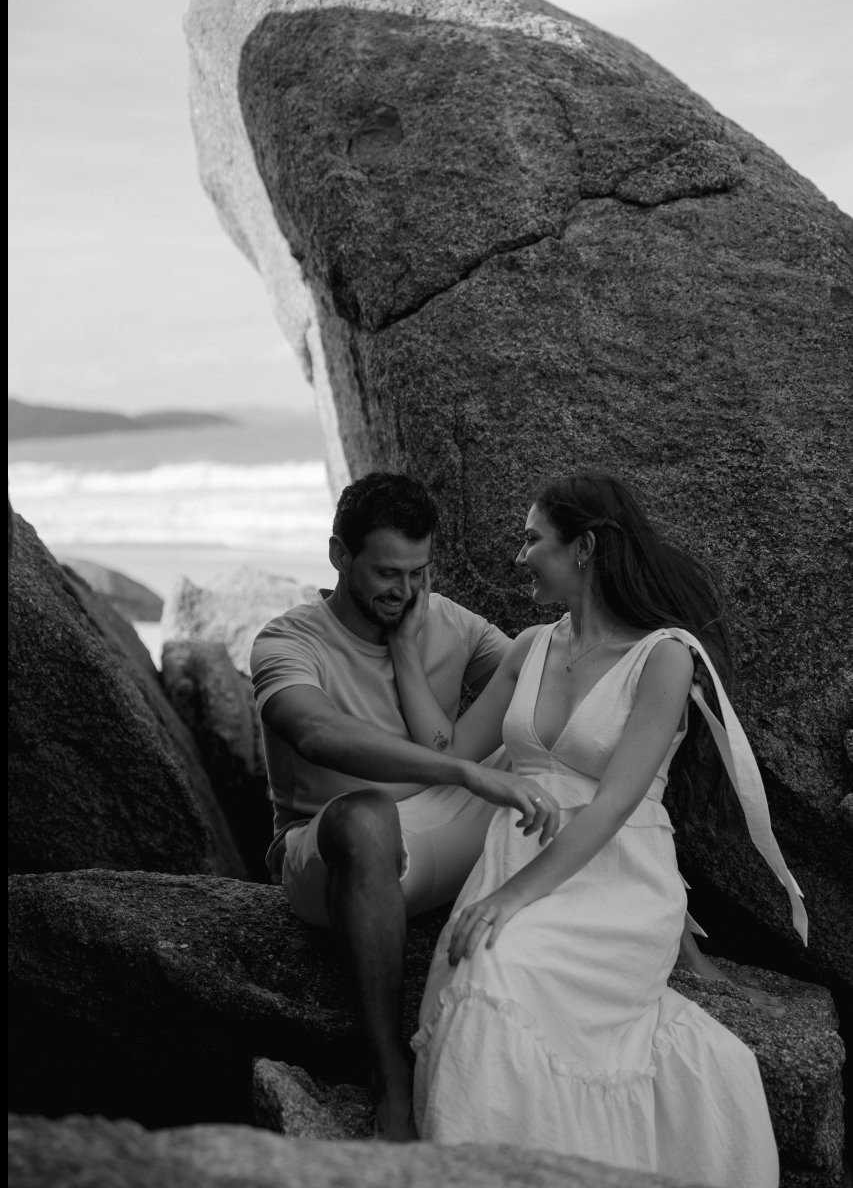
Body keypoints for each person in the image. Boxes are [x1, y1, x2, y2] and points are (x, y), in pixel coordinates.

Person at [387, 472, 806, 1184]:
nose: (519, 556)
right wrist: (402, 647)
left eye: (532, 540)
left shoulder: (664, 656)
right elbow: (451, 752)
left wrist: (511, 899)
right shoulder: (529, 647)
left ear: (582, 548)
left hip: (616, 877)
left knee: (505, 963)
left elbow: (613, 806)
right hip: (514, 854)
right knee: (488, 967)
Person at [250, 472, 561, 1140]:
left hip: (444, 828)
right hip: (335, 854)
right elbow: (315, 732)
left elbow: (549, 696)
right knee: (367, 815)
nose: (406, 591)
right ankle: (389, 1073)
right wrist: (461, 769)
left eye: (419, 573)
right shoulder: (287, 641)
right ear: (339, 554)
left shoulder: (448, 622)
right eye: (387, 573)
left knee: (554, 749)